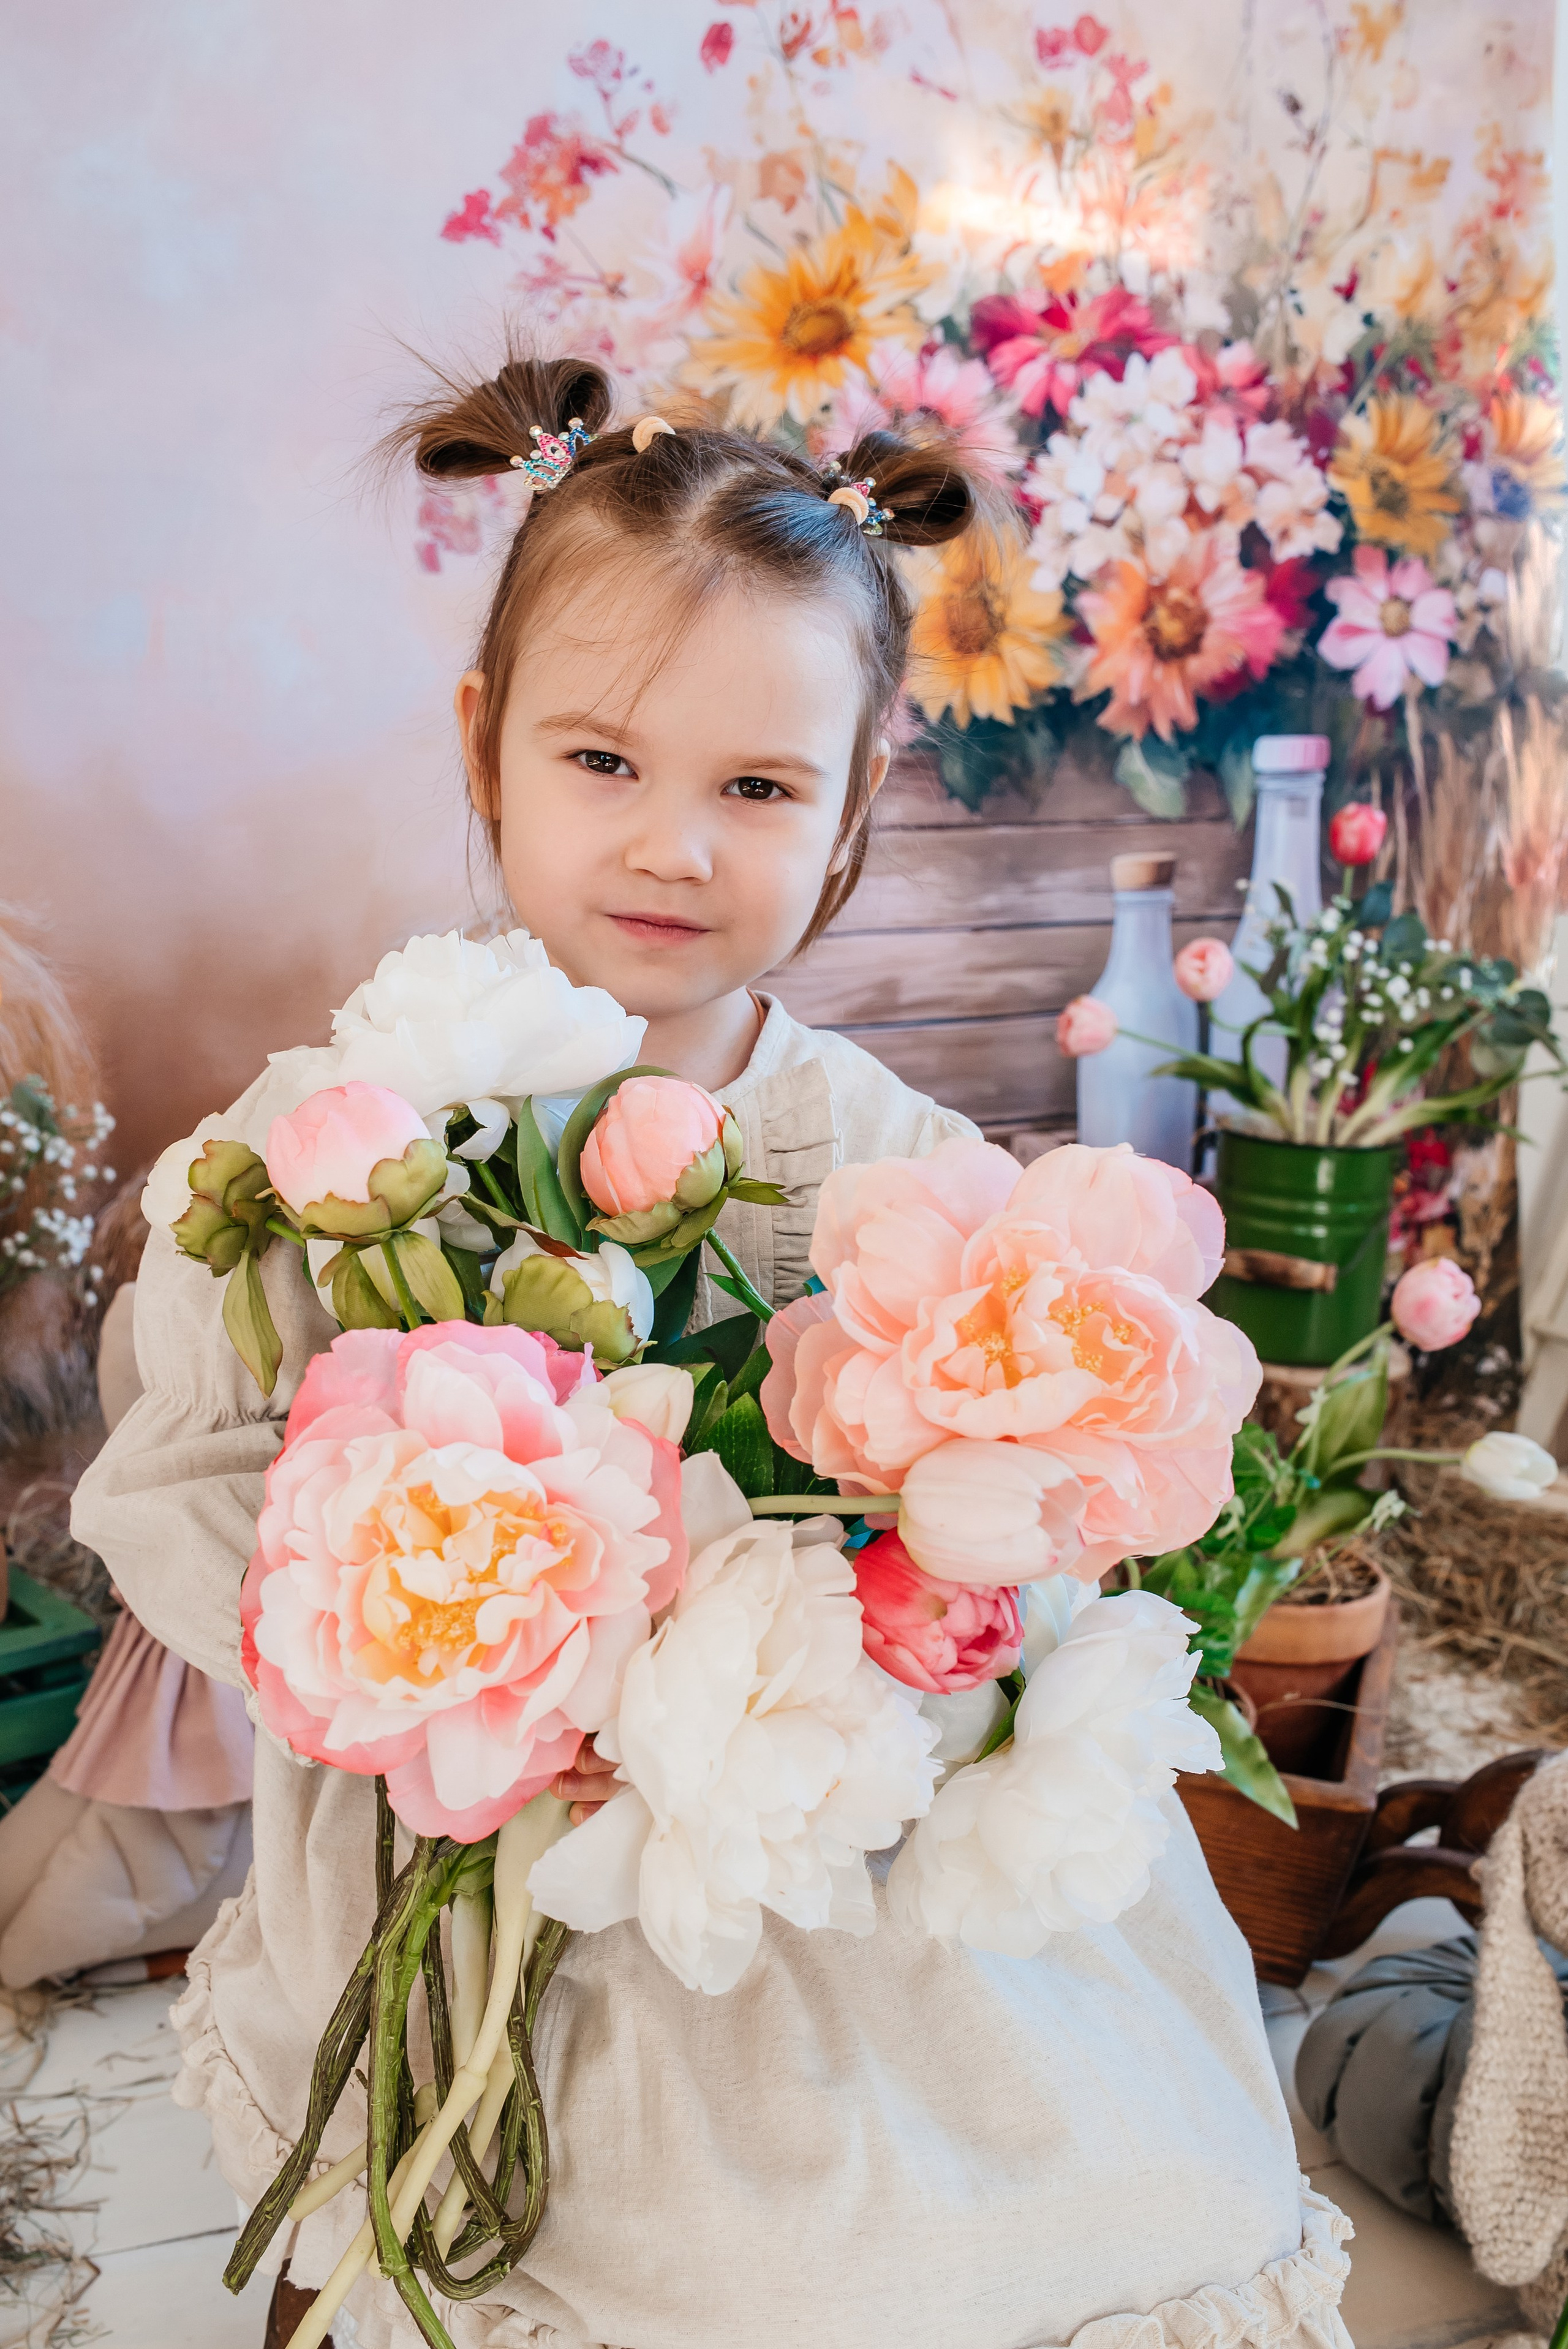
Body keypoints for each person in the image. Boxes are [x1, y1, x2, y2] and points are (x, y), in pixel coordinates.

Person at [72, 349, 1350, 2349]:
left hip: (817, 1819)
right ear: (487, 743)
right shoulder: (340, 1146)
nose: (673, 844)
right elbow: (189, 1477)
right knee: (613, 2200)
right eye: (606, 762)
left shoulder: (902, 1174)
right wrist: (420, 1653)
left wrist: (948, 1574)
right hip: (486, 1819)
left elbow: (1022, 1520)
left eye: (756, 786)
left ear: (852, 813)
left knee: (1081, 2163)